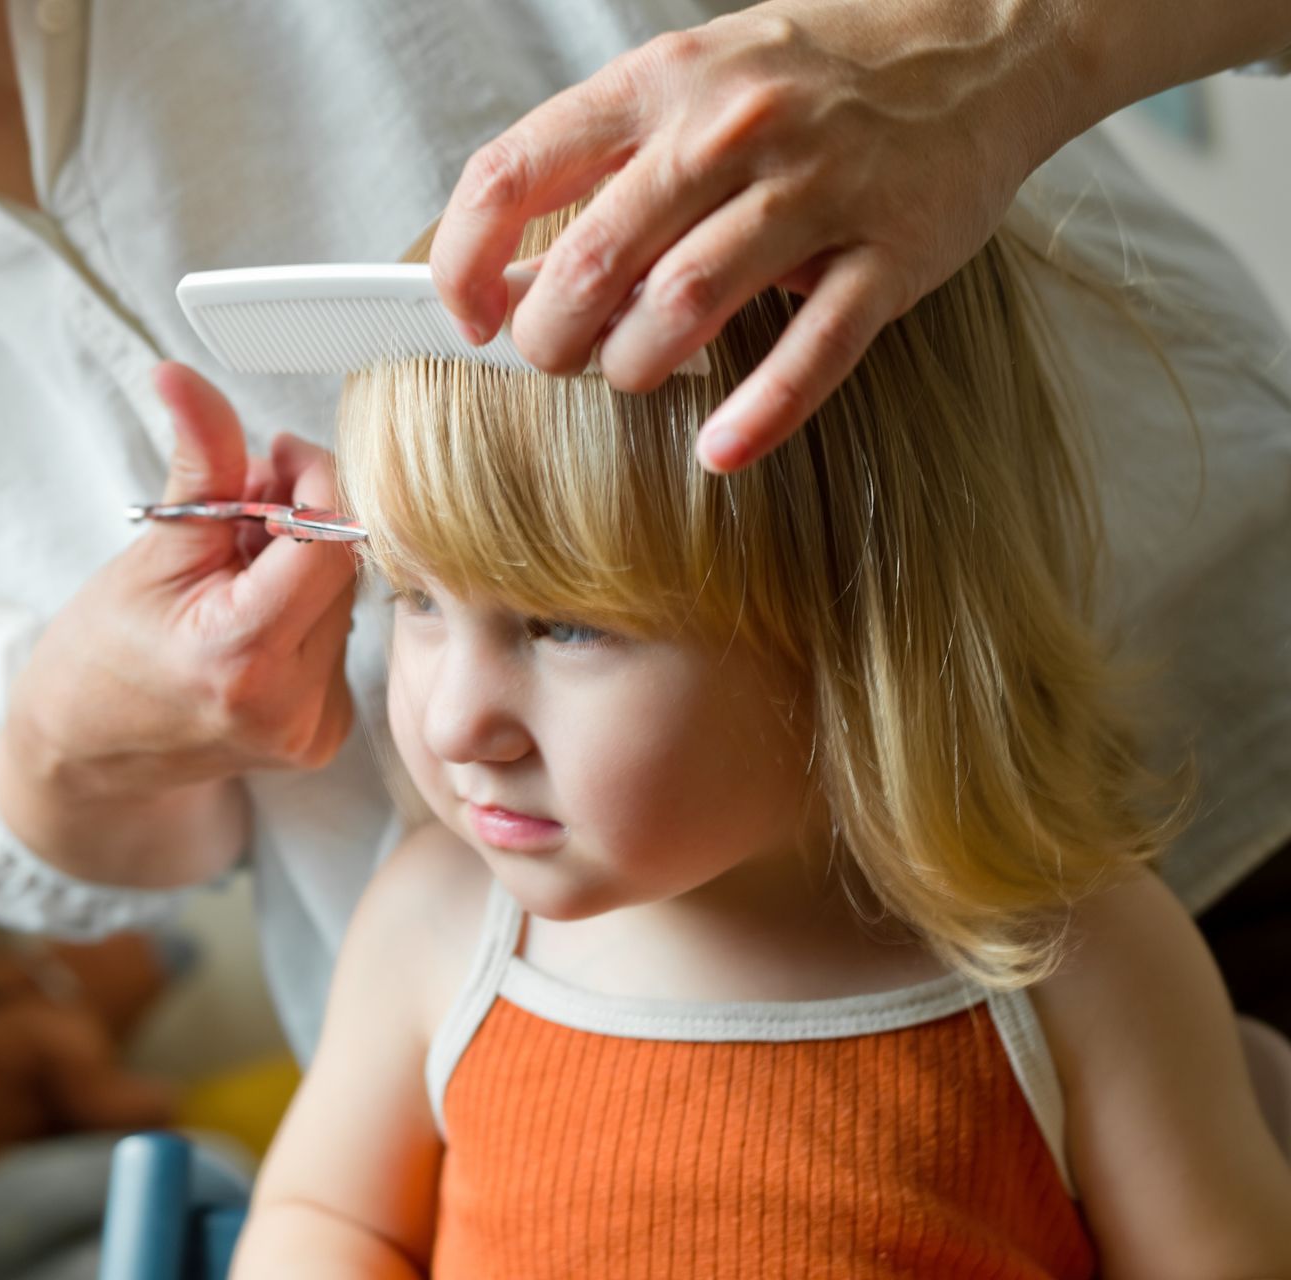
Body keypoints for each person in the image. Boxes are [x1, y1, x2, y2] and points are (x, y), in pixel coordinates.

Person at [0, 1, 1289, 1058]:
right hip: (533, 1054)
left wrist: (1006, 49)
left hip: (1207, 828)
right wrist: (86, 724)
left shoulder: (1122, 986)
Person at [228, 191, 1291, 1278]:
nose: (455, 718)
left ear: (855, 618)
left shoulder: (1073, 961)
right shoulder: (436, 925)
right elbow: (327, 1217)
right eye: (415, 597)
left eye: (565, 624)